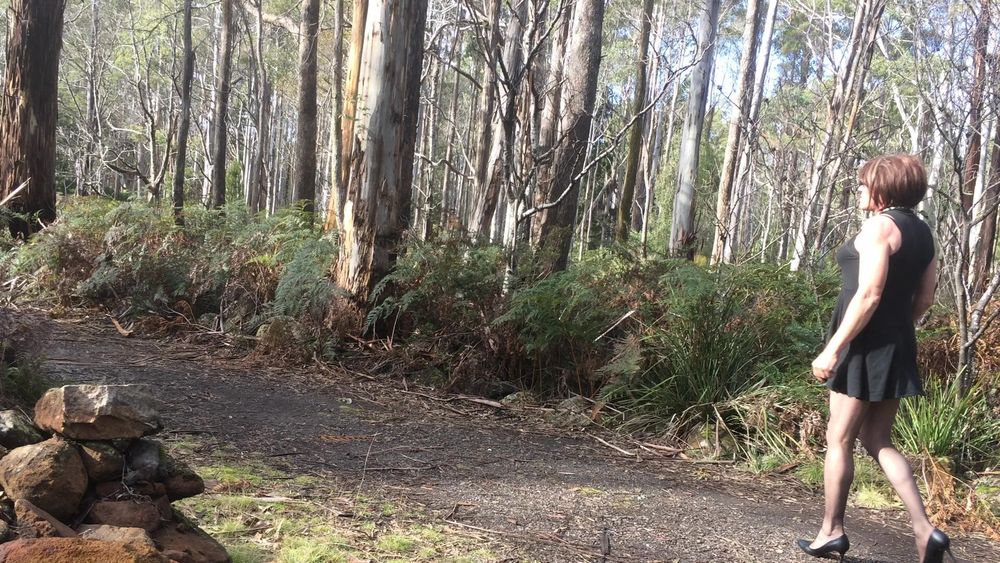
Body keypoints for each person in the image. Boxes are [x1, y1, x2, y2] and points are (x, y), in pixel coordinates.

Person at [796, 154, 953, 563]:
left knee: (839, 439)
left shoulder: (881, 226)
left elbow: (869, 293)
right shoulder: (922, 232)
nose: (860, 189)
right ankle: (925, 530)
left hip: (861, 345)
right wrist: (897, 330)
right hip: (896, 343)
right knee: (878, 440)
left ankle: (831, 532)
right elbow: (925, 298)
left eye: (865, 183)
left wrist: (834, 347)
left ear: (884, 188)